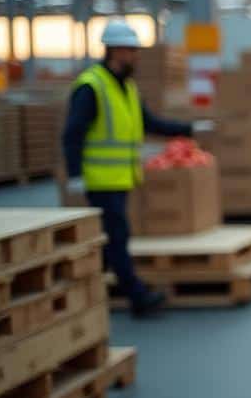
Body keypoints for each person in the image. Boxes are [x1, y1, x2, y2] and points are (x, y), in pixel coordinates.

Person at [61, 21, 212, 316]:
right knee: (117, 237)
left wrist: (190, 128)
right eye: (131, 50)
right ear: (114, 50)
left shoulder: (126, 88)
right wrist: (75, 175)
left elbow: (150, 123)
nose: (135, 56)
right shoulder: (91, 87)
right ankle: (137, 297)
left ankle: (89, 299)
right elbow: (72, 133)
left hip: (120, 178)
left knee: (108, 241)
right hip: (99, 181)